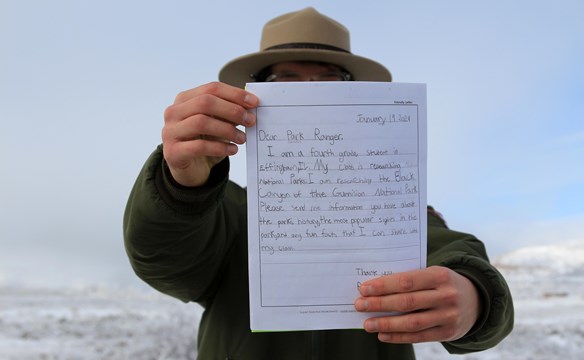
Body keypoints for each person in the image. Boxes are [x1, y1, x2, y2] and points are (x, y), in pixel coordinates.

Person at [124, 7, 513, 360]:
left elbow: (453, 253)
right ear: (253, 94)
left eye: (329, 79)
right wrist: (181, 186)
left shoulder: (395, 209)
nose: (310, 91)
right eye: (286, 80)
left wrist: (475, 296)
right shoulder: (229, 212)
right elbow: (161, 258)